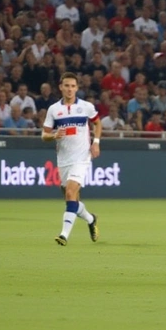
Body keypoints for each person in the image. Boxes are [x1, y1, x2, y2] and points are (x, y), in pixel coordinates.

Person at [42, 72, 101, 246]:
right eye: (66, 86)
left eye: (73, 86)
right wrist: (53, 135)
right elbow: (44, 135)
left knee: (70, 193)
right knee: (71, 199)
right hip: (63, 159)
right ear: (61, 87)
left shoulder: (86, 107)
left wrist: (96, 142)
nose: (69, 89)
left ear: (77, 88)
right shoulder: (54, 110)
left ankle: (64, 235)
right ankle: (91, 219)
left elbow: (97, 123)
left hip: (82, 157)